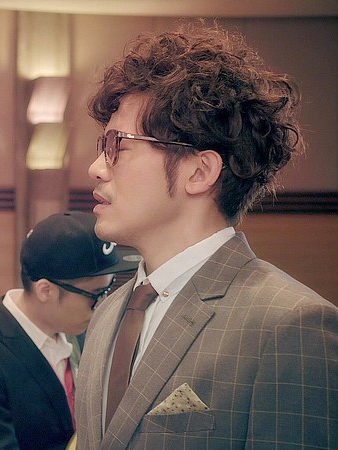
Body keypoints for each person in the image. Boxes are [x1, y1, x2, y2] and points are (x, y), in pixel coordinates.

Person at [76, 22, 338, 449]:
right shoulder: (108, 314)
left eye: (117, 145)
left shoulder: (289, 326)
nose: (96, 168)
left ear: (199, 172)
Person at [0, 211, 140, 450]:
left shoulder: (80, 331)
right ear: (46, 291)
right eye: (95, 295)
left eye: (108, 290)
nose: (102, 305)